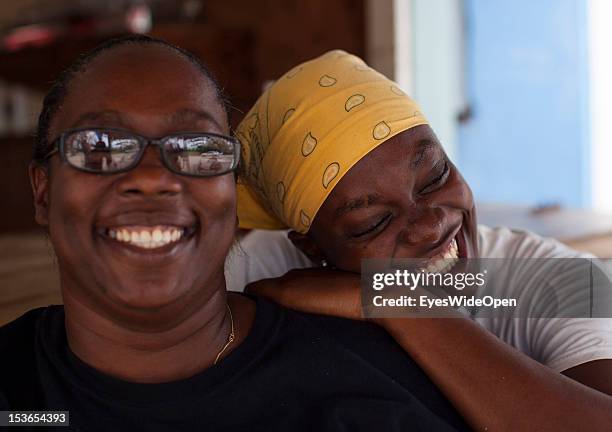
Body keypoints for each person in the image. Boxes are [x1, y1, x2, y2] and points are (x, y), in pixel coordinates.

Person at [0, 36, 471, 431]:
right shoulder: (17, 398)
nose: (152, 176)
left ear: (232, 194)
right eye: (99, 146)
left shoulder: (370, 378)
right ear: (43, 193)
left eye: (197, 147)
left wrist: (411, 309)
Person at [230, 50, 612, 430]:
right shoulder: (255, 270)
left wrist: (402, 304)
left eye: (436, 176)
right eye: (374, 222)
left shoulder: (556, 278)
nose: (429, 226)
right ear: (311, 247)